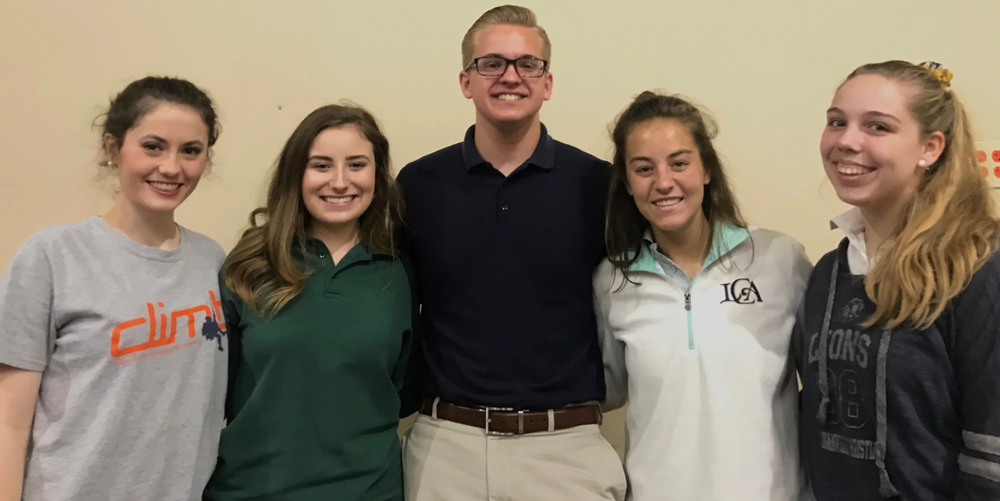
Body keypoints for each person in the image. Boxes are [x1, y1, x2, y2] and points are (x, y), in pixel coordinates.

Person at [396, 5, 625, 501]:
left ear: (547, 82)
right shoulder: (419, 184)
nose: (510, 77)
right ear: (466, 81)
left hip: (566, 448)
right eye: (492, 63)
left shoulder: (597, 185)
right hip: (445, 447)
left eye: (528, 64)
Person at [0, 76, 226, 501]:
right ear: (112, 149)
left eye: (190, 151)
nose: (172, 167)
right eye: (153, 146)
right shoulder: (52, 255)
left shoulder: (211, 260)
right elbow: (8, 422)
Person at [795, 60, 1000, 500]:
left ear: (930, 147)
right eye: (837, 122)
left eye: (877, 127)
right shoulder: (827, 275)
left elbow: (992, 454)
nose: (847, 141)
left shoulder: (977, 268)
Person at [595, 91, 813, 500]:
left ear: (707, 169)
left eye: (679, 163)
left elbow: (824, 389)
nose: (663, 182)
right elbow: (605, 395)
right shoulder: (612, 280)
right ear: (627, 182)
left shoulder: (779, 259)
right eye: (644, 169)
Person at [203, 104, 412, 501]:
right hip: (252, 490)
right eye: (320, 165)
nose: (339, 181)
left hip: (369, 491)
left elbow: (403, 386)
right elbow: (211, 392)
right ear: (296, 175)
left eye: (356, 165)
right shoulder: (248, 265)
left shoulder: (398, 270)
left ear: (377, 175)